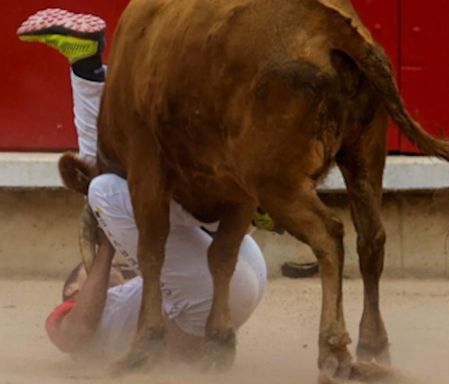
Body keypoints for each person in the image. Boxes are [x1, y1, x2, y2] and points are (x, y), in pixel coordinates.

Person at [17, 8, 268, 364]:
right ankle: (237, 189)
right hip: (227, 286)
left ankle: (86, 69)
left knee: (107, 188)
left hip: (235, 277)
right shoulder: (75, 319)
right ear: (72, 292)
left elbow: (86, 323)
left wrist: (107, 236)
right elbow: (79, 330)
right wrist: (106, 243)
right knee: (107, 189)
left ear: (75, 288)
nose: (122, 265)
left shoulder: (120, 297)